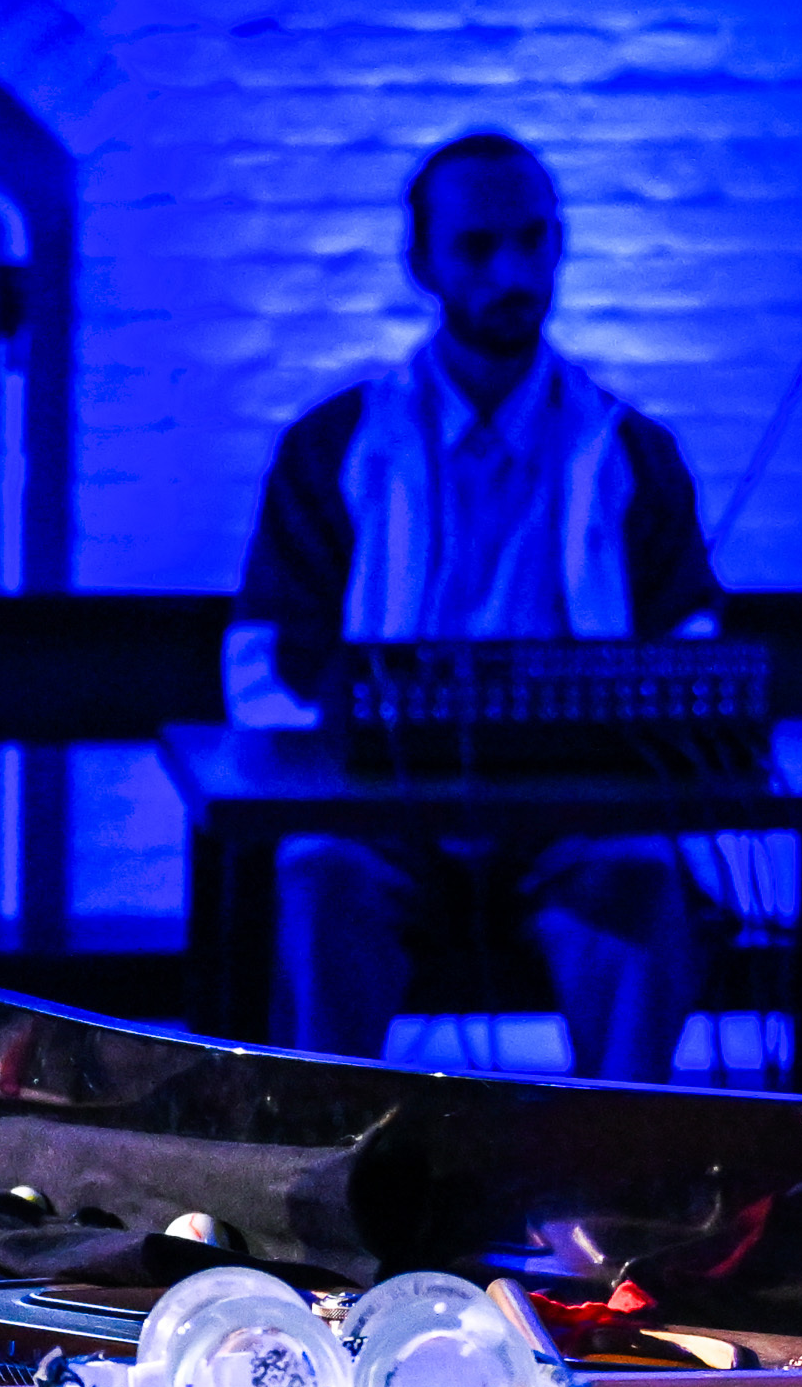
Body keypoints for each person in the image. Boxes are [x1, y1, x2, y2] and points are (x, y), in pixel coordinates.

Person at [230, 132, 723, 1079]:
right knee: (319, 880)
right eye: (479, 246)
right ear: (422, 263)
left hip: (576, 822)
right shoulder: (334, 445)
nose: (515, 273)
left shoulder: (632, 449)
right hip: (383, 822)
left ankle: (622, 1166)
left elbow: (690, 640)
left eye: (534, 240)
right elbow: (264, 654)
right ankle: (322, 1162)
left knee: (646, 886)